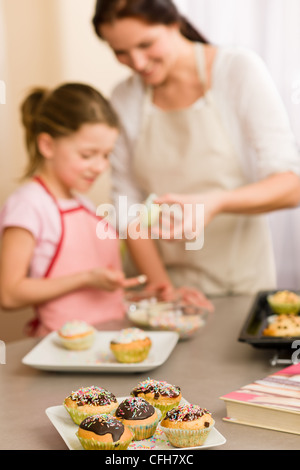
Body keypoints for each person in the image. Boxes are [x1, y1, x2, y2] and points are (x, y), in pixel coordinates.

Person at [92, 0, 300, 300]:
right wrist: (166, 290)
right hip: (159, 283)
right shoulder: (124, 98)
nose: (137, 62)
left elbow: (291, 186)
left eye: (146, 44)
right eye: (120, 52)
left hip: (237, 284)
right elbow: (127, 209)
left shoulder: (236, 71)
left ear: (174, 23)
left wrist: (214, 203)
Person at [0, 82, 145, 337]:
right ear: (47, 145)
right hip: (61, 350)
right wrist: (87, 278)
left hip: (106, 341)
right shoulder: (29, 205)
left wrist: (138, 294)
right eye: (88, 155)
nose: (100, 167)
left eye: (106, 155)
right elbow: (9, 294)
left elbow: (96, 298)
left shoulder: (83, 204)